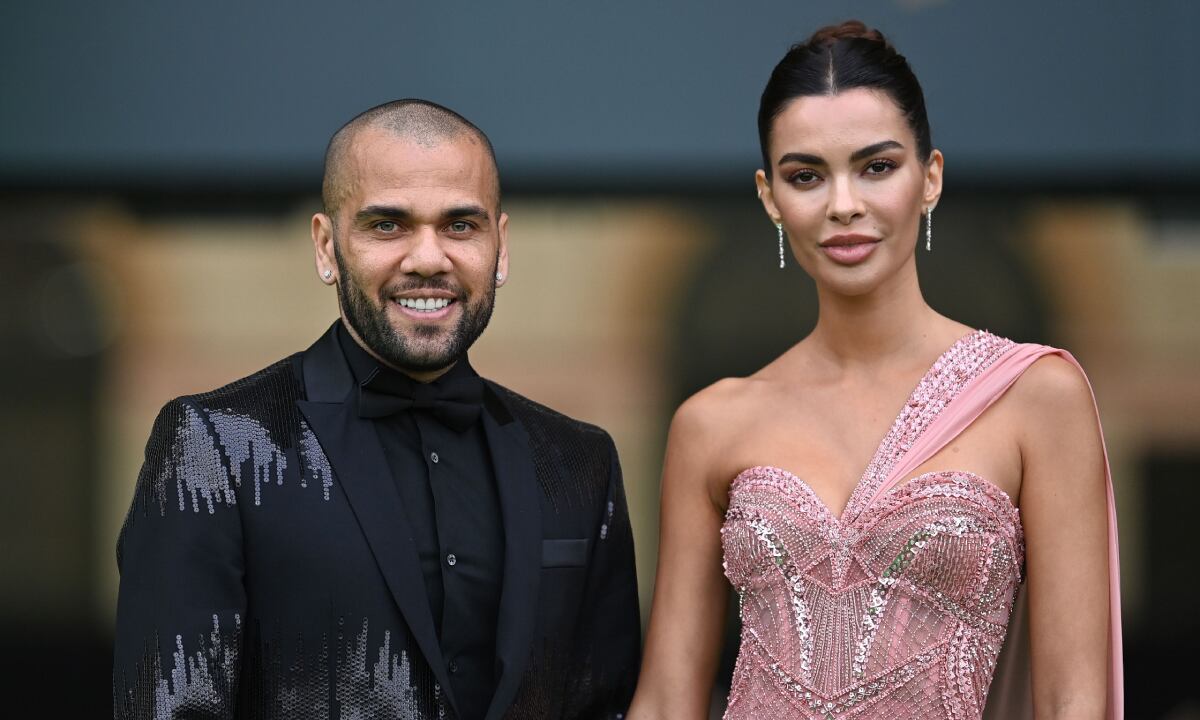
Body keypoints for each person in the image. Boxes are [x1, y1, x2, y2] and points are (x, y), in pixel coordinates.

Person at [628, 21, 1122, 720]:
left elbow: (1075, 701)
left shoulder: (1034, 396)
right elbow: (668, 697)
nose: (843, 205)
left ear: (931, 178)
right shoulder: (712, 423)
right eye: (806, 176)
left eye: (877, 167)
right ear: (770, 198)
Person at [113, 99, 640, 720]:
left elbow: (603, 705)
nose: (427, 258)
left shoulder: (580, 460)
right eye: (387, 225)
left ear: (501, 246)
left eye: (460, 225)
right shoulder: (214, 445)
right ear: (326, 247)